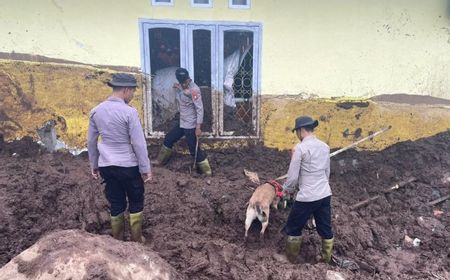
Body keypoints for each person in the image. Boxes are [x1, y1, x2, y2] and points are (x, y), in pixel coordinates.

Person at [87, 73, 151, 243]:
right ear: (126, 90)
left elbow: (91, 141)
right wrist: (145, 169)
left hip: (107, 166)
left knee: (116, 202)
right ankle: (137, 240)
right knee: (136, 201)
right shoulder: (129, 113)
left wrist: (94, 164)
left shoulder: (96, 111)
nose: (132, 96)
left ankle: (117, 241)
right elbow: (138, 144)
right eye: (133, 93)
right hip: (128, 166)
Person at [282, 116, 334, 263]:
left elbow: (292, 177)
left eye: (296, 132)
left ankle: (290, 259)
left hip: (307, 196)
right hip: (324, 194)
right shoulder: (325, 147)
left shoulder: (299, 148)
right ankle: (326, 259)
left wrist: (287, 190)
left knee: (293, 227)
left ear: (300, 131)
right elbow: (327, 172)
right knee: (325, 228)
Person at [155, 68, 212, 175]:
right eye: (182, 83)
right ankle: (160, 161)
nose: (184, 84)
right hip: (182, 123)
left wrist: (198, 127)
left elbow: (200, 109)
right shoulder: (182, 86)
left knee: (193, 148)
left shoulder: (194, 90)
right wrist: (179, 87)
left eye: (185, 82)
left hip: (190, 125)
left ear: (188, 80)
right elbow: (183, 89)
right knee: (169, 138)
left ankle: (207, 171)